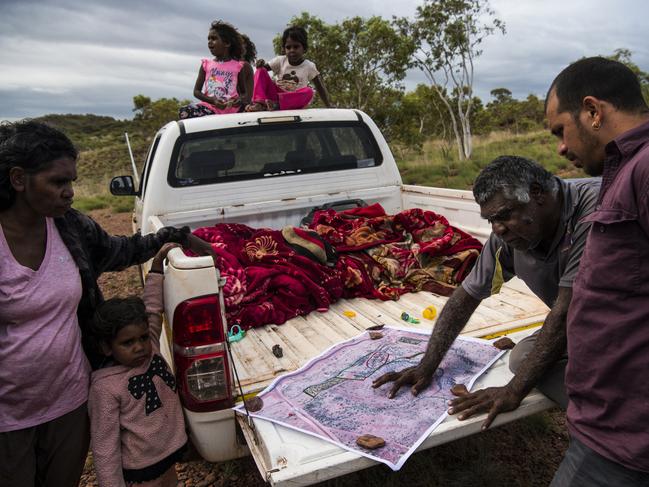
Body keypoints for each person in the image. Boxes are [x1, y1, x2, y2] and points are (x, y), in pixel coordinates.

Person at [0, 120, 189, 487]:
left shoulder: (69, 227)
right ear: (19, 179)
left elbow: (122, 250)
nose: (69, 192)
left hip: (69, 399)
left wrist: (173, 238)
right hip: (9, 414)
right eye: (58, 182)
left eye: (71, 181)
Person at [372, 155, 599, 429]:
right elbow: (466, 297)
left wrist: (513, 391)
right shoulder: (506, 239)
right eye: (490, 219)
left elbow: (564, 314)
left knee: (559, 368)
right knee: (523, 357)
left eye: (504, 215)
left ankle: (610, 427)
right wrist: (427, 365)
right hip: (587, 327)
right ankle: (602, 415)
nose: (497, 229)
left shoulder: (594, 210)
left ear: (537, 194)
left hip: (630, 328)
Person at [545, 57, 649, 486]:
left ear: (592, 111)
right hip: (610, 421)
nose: (561, 148)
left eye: (560, 131)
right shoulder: (624, 168)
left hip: (623, 441)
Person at [88, 243, 186, 487]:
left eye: (142, 338)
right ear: (107, 347)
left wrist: (156, 266)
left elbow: (153, 307)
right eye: (127, 342)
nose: (140, 346)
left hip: (168, 456)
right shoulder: (106, 388)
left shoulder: (150, 346)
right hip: (141, 470)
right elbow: (104, 446)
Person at [178, 20, 253, 119]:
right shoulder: (206, 64)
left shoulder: (238, 66)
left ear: (227, 43)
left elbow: (244, 94)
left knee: (251, 111)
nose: (209, 42)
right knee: (184, 111)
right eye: (208, 39)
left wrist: (238, 101)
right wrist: (213, 101)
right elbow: (196, 91)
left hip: (233, 110)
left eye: (214, 39)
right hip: (210, 108)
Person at [246, 25, 331, 112]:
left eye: (296, 47)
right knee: (260, 70)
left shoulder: (309, 66)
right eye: (288, 47)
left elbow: (319, 87)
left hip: (294, 102)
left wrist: (329, 106)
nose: (292, 50)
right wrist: (260, 64)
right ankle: (259, 103)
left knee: (309, 91)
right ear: (284, 49)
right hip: (274, 98)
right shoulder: (280, 60)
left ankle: (277, 105)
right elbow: (260, 74)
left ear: (304, 49)